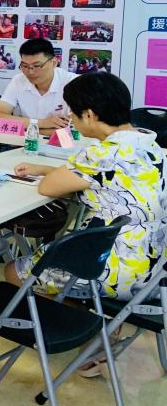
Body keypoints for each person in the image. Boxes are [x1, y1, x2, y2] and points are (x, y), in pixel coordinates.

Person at [10, 73, 167, 376]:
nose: (69, 117)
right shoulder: (151, 146)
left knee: (14, 272)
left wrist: (49, 173)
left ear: (91, 115)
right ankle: (104, 326)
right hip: (153, 272)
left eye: (72, 111)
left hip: (112, 270)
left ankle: (94, 329)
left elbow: (48, 188)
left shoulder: (101, 152)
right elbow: (101, 177)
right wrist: (46, 168)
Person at [0, 38, 74, 134]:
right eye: (25, 66)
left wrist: (26, 128)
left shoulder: (73, 83)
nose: (30, 72)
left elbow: (75, 130)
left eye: (37, 66)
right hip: (25, 141)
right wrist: (44, 123)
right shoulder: (19, 80)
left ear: (54, 63)